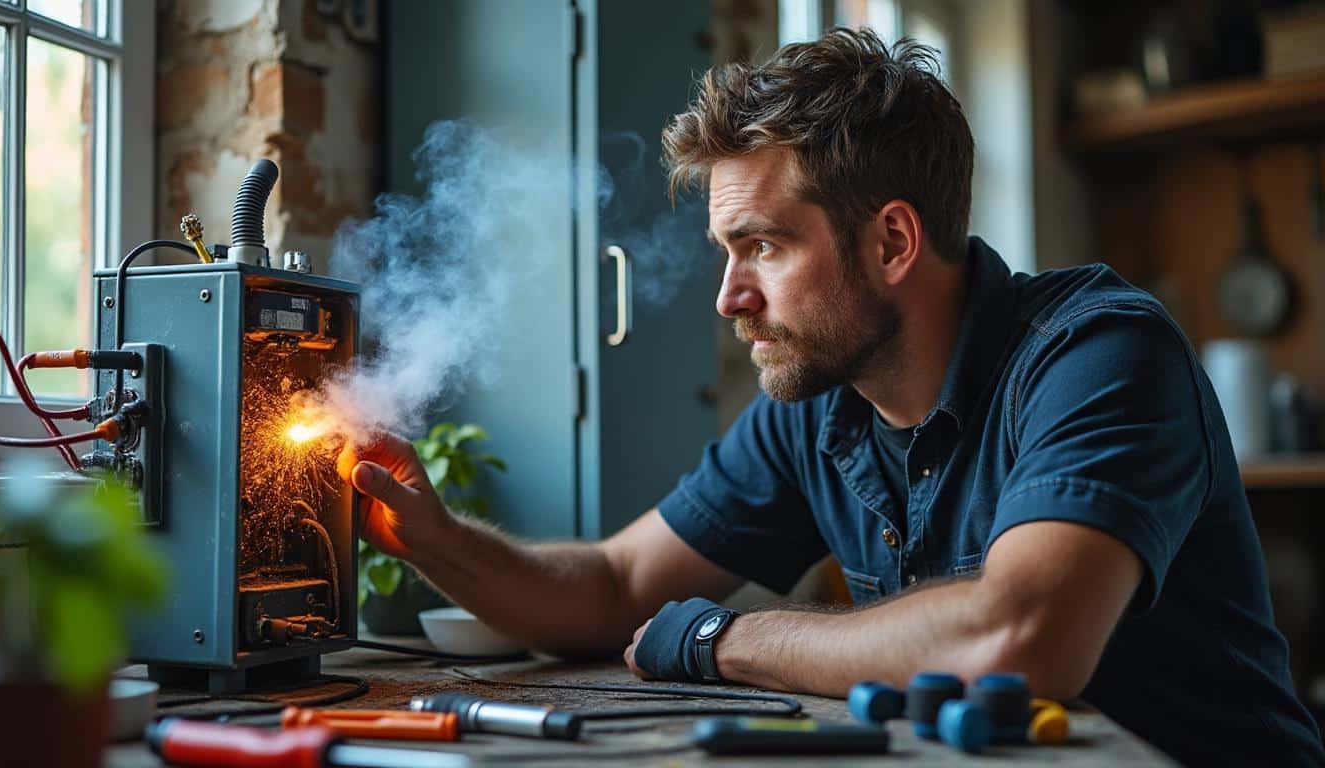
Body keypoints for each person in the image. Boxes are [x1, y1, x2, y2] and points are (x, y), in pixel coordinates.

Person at [339, 29, 1323, 765]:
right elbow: (611, 586)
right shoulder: (816, 409)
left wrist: (728, 639)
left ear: (892, 242)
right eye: (727, 253)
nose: (730, 296)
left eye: (762, 246)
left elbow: (1018, 639)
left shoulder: (1099, 353)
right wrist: (435, 538)